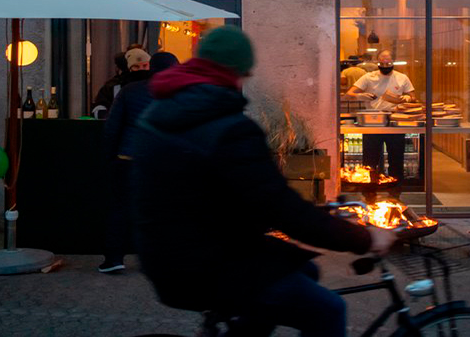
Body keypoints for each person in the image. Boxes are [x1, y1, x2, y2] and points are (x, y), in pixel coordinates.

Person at [131, 26, 396, 337]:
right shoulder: (228, 129)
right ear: (235, 73)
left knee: (303, 269)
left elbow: (214, 194)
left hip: (165, 256)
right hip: (209, 265)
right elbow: (280, 208)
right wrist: (363, 238)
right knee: (328, 309)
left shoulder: (160, 114)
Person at [98, 50, 180, 273]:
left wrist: (108, 157)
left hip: (129, 159)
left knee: (120, 209)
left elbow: (112, 128)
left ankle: (114, 259)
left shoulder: (129, 91)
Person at [346, 49, 417, 181]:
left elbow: (413, 96)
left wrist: (407, 98)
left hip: (395, 121)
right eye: (382, 63)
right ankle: (370, 192)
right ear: (377, 62)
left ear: (393, 62)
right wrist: (359, 95)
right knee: (370, 161)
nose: (385, 66)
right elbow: (349, 94)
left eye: (388, 63)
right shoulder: (369, 77)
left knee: (396, 159)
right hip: (372, 122)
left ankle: (395, 192)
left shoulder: (402, 78)